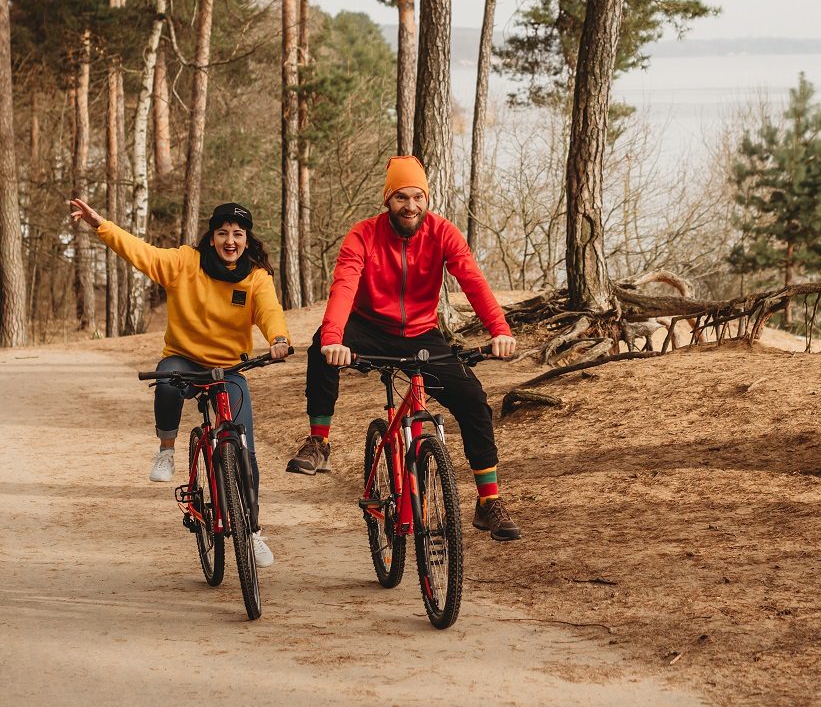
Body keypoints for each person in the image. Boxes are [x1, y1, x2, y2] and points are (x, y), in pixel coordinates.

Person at [285, 155, 522, 541]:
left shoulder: (443, 233)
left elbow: (472, 281)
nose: (410, 206)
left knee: (472, 397)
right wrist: (333, 339)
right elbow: (344, 286)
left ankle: (488, 501)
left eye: (417, 197)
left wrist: (499, 330)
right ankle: (319, 442)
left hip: (421, 334)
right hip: (367, 326)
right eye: (400, 197)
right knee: (318, 348)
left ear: (426, 199)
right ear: (387, 200)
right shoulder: (362, 235)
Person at [69, 197, 291, 567]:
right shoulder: (185, 263)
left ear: (248, 240)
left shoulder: (256, 277)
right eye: (222, 233)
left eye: (238, 234)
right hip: (184, 360)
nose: (230, 240)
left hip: (229, 370)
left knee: (246, 455)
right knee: (167, 380)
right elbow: (140, 253)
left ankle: (250, 531)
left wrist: (278, 339)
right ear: (212, 236)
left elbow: (270, 311)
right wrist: (100, 225)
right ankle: (167, 449)